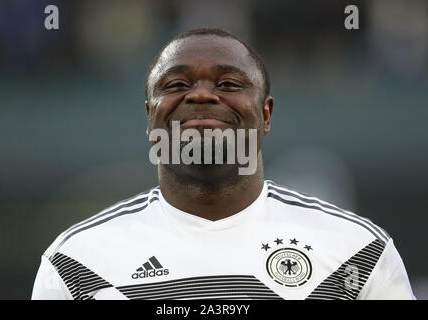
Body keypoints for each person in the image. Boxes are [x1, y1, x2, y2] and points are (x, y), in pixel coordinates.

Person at [32, 28, 415, 300]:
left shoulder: (359, 252)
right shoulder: (76, 263)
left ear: (266, 114)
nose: (200, 95)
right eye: (176, 85)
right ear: (151, 118)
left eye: (229, 84)